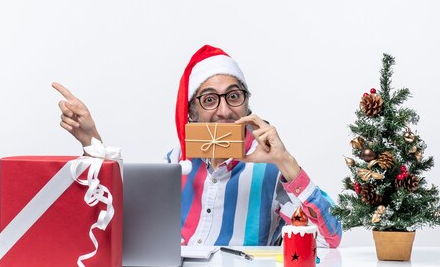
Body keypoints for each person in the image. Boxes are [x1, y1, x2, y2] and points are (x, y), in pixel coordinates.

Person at [53, 44, 342, 248]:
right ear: (192, 112)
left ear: (247, 104)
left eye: (233, 96)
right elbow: (127, 221)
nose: (224, 111)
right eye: (209, 99)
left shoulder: (271, 169)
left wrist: (286, 162)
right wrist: (90, 138)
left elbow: (331, 240)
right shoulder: (175, 161)